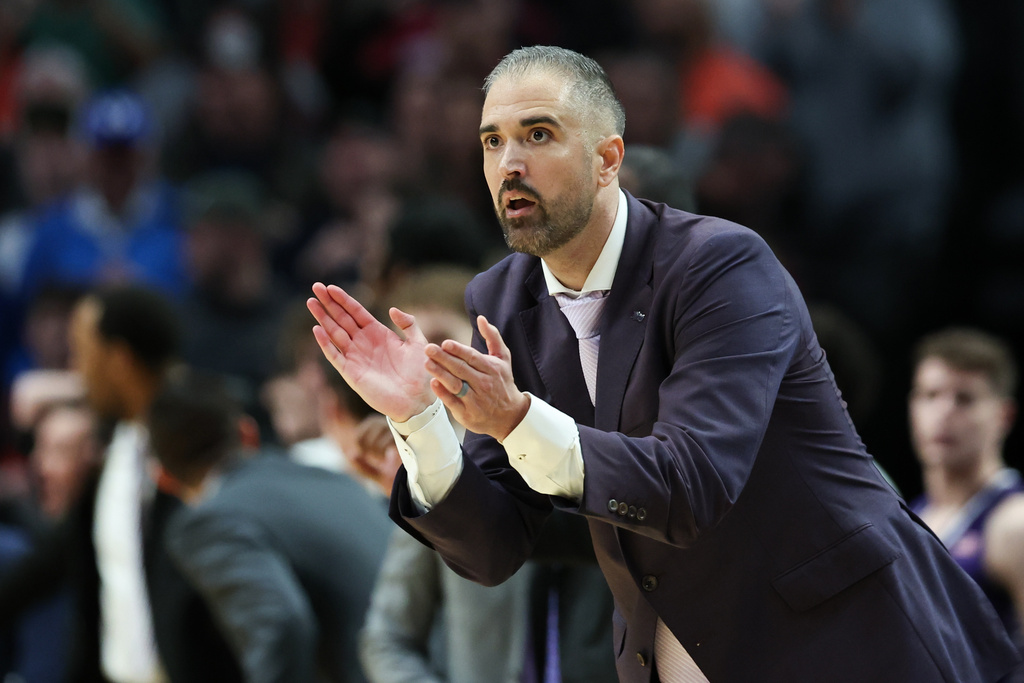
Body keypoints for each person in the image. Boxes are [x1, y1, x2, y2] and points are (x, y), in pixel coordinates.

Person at [307, 45, 1023, 682]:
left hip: (846, 641)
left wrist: (519, 418)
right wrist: (419, 418)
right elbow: (494, 546)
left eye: (538, 134)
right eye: (492, 141)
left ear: (609, 158)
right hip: (676, 652)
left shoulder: (721, 266)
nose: (510, 163)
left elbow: (693, 483)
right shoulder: (501, 294)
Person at [0, 285, 241, 682]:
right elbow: (50, 564)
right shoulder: (117, 448)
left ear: (119, 360)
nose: (76, 371)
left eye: (83, 353)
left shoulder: (202, 445)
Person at [147, 367, 391, 683]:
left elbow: (278, 623)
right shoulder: (330, 478)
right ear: (248, 433)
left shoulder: (208, 523)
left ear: (163, 478)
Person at [908, 327, 1024, 652]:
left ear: (1004, 415)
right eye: (929, 395)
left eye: (965, 399)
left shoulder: (1014, 523)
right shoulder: (913, 515)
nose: (943, 413)